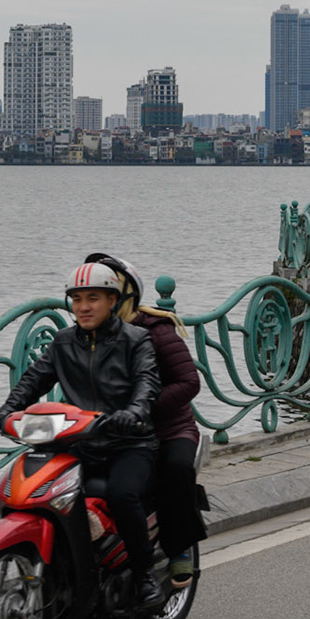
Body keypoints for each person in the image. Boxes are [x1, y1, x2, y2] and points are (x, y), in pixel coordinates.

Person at [0, 261, 167, 611]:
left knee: (121, 492)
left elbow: (148, 382)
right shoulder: (64, 341)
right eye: (77, 299)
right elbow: (34, 379)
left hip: (129, 442)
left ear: (113, 301)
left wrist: (133, 413)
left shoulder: (136, 339)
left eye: (94, 298)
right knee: (38, 488)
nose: (84, 307)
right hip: (79, 441)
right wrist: (6, 411)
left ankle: (144, 575)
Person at [92, 253, 208, 590]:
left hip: (169, 429)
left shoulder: (156, 331)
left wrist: (143, 407)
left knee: (175, 469)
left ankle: (177, 548)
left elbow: (189, 382)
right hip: (115, 430)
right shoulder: (88, 334)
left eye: (108, 292)